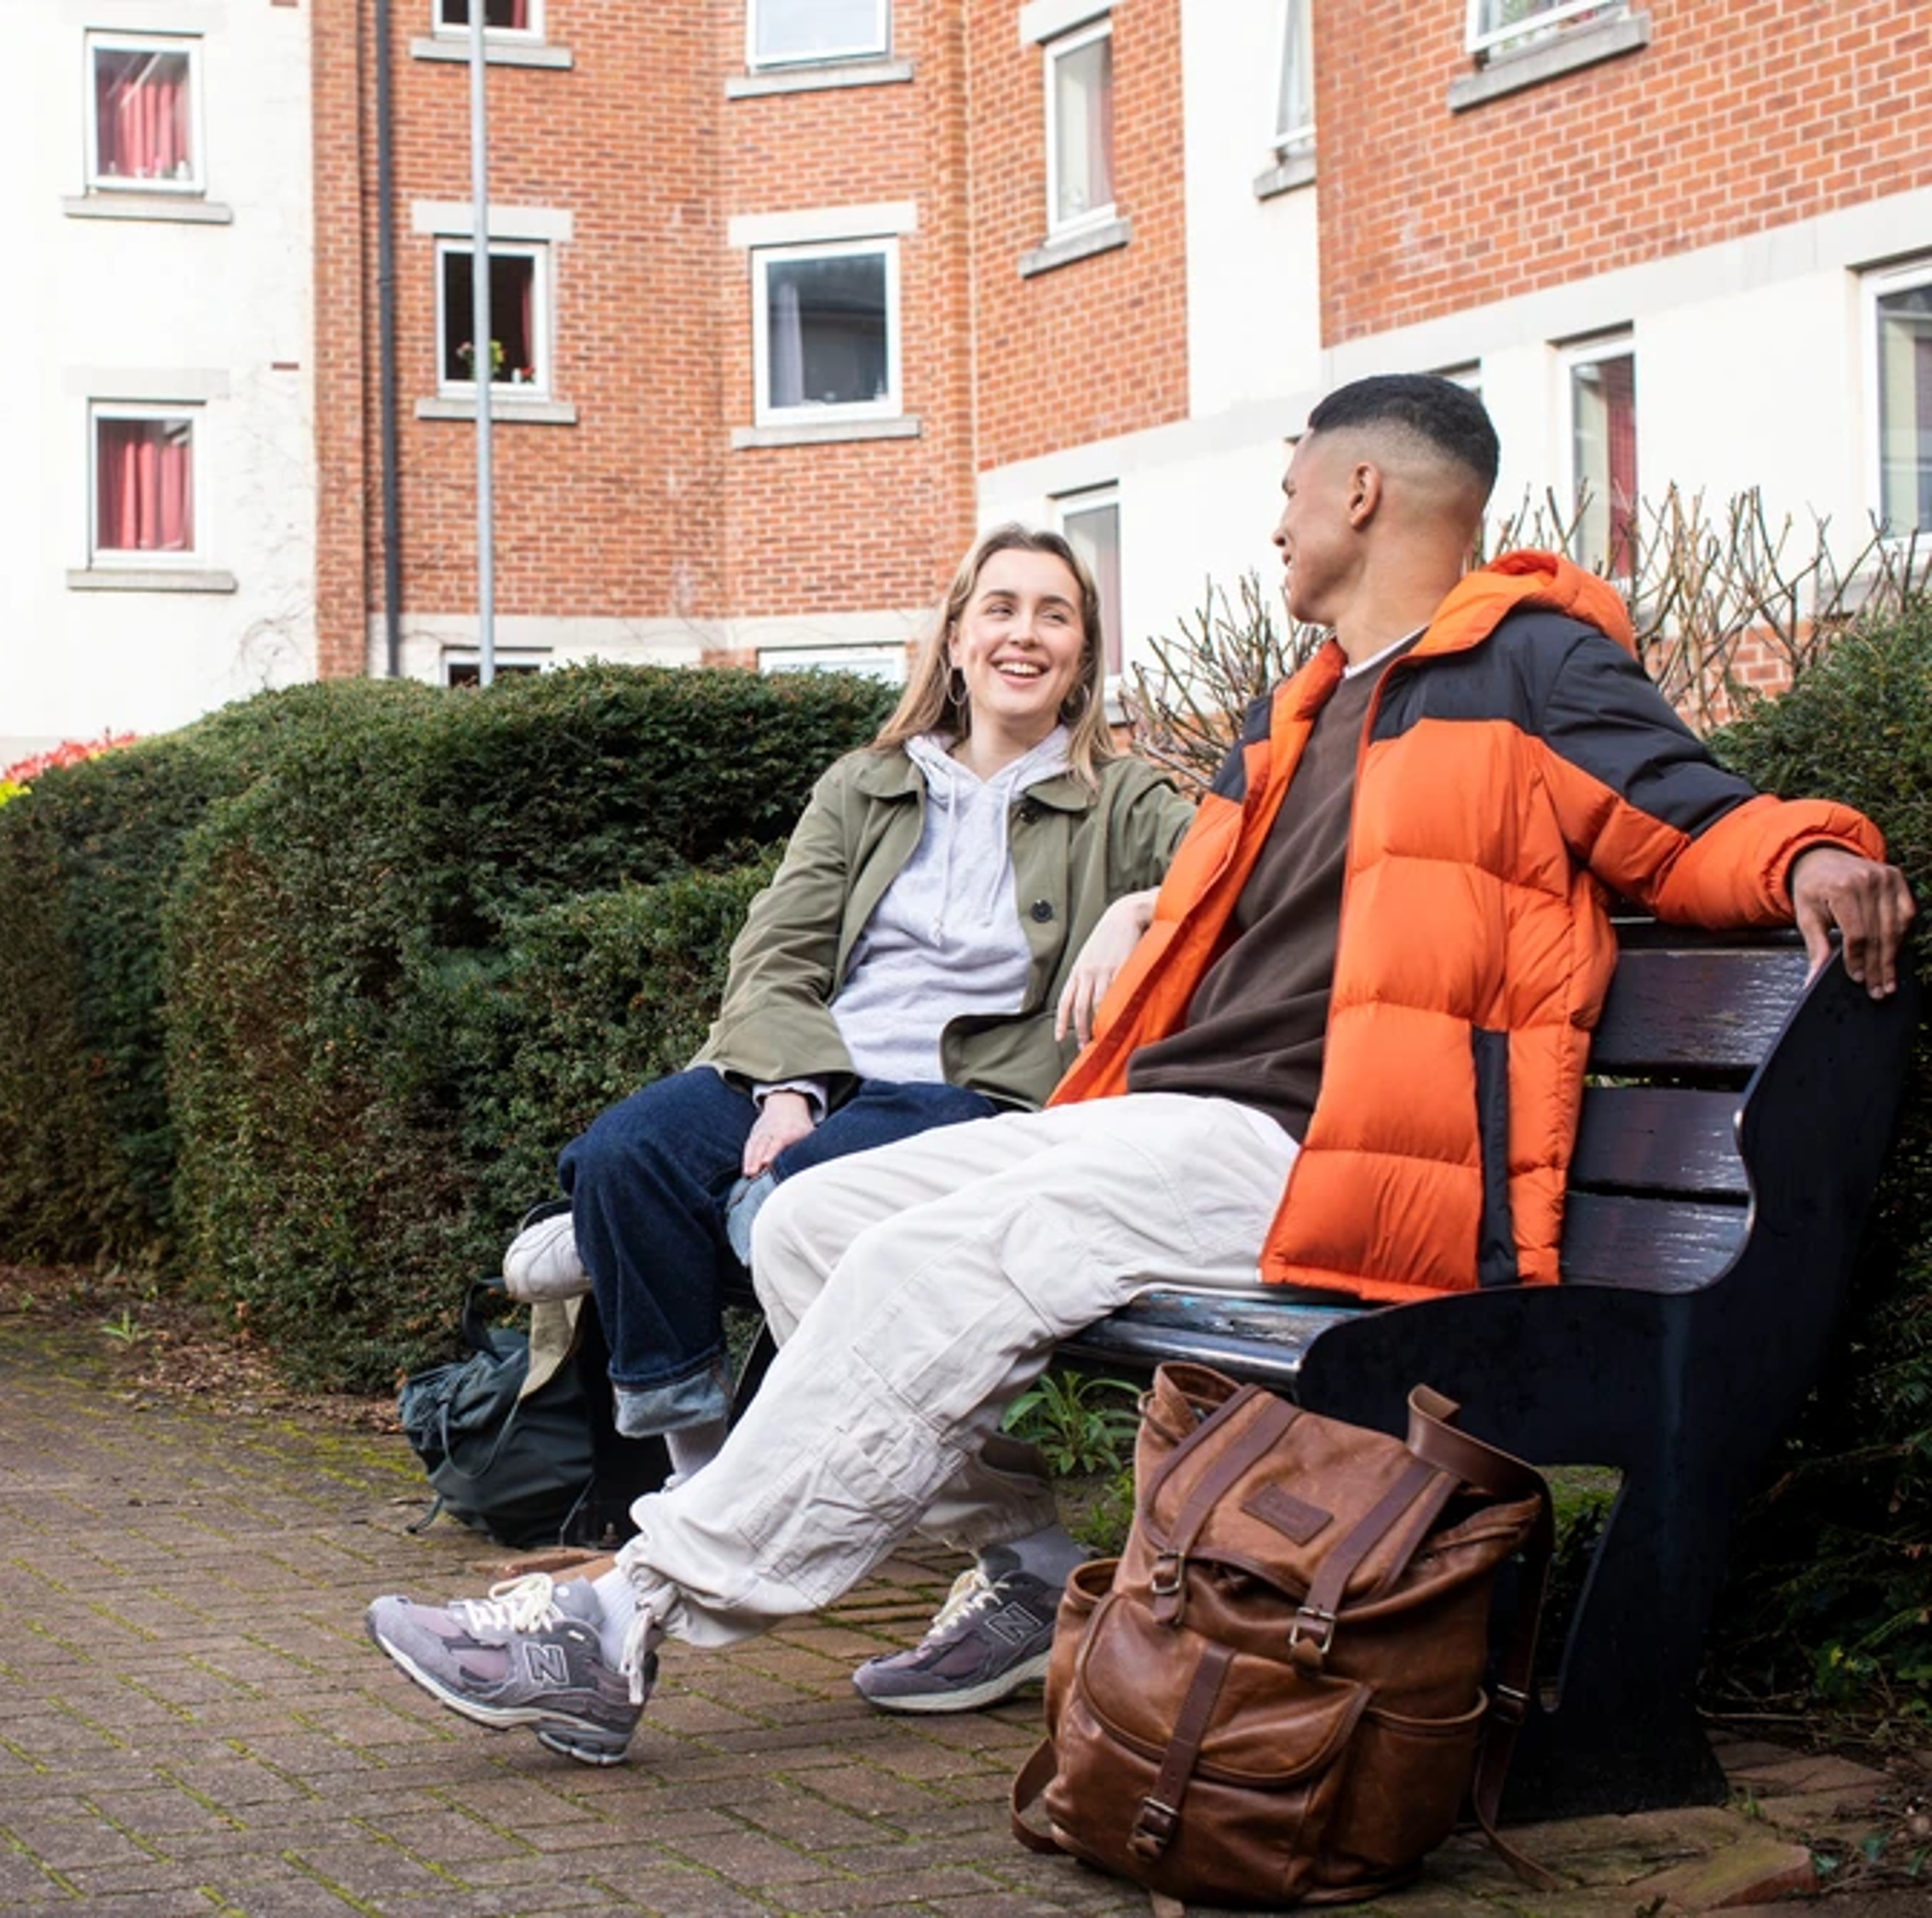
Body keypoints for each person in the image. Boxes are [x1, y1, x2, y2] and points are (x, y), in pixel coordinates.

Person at [365, 373, 1916, 1765]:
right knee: (806, 1222)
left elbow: (1689, 813)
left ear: (1361, 493)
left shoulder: (1528, 667)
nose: (1278, 522)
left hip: (1322, 1149)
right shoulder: (1297, 713)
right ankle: (1028, 1563)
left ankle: (626, 1613)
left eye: (1293, 487)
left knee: (937, 1254)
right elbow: (1229, 901)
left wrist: (1818, 854)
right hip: (1164, 1115)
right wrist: (1134, 902)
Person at [502, 525, 1193, 1493]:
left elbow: (1244, 867)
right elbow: (776, 949)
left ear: (1081, 655)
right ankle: (696, 1483)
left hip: (969, 1097)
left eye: (1055, 614)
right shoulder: (865, 786)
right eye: (1000, 608)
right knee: (628, 1152)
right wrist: (791, 1086)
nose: (1023, 634)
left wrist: (1139, 905)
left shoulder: (1120, 798)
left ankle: (665, 1227)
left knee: (808, 1196)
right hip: (824, 1066)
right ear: (956, 638)